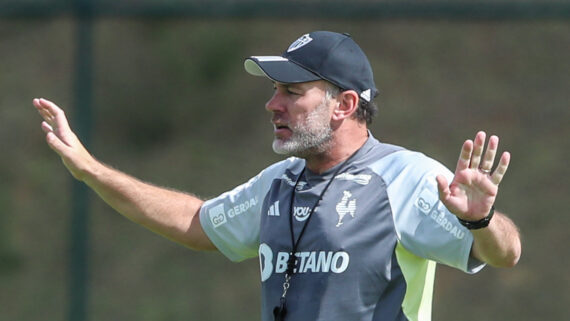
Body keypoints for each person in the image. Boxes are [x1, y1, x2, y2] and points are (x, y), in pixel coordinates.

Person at [34, 31, 521, 321]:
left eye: (292, 90)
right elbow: (195, 222)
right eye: (274, 90)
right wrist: (92, 172)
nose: (273, 104)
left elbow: (504, 253)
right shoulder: (278, 182)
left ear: (345, 105)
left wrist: (482, 221)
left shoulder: (406, 176)